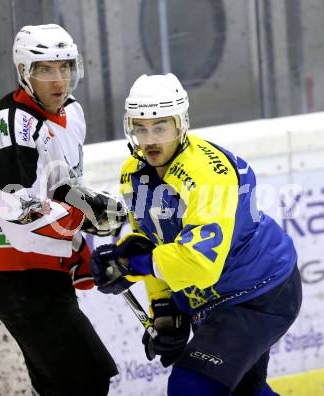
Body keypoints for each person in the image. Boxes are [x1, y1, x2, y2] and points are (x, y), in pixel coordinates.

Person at [90, 73, 302, 396]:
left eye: (160, 127)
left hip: (258, 292)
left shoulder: (206, 175)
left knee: (191, 387)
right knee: (242, 392)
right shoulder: (132, 174)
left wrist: (136, 264)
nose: (150, 140)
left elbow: (199, 264)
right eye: (140, 127)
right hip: (219, 298)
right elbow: (153, 243)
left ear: (181, 125)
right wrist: (164, 311)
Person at [0, 24, 123, 396]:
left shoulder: (72, 113)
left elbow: (59, 186)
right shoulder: (9, 124)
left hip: (42, 264)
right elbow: (17, 207)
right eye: (45, 70)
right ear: (25, 73)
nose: (59, 80)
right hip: (13, 269)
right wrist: (81, 220)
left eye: (65, 67)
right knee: (85, 377)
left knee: (62, 383)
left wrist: (88, 219)